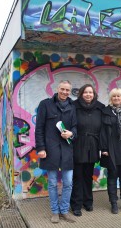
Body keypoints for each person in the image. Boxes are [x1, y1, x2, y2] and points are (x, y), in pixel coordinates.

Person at [35, 80, 77, 223]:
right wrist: (40, 148)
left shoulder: (73, 107)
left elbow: (76, 127)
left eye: (67, 90)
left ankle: (64, 211)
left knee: (68, 183)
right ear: (57, 89)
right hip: (50, 150)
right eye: (62, 89)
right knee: (52, 183)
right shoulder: (45, 104)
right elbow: (39, 128)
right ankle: (54, 211)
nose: (65, 92)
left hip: (67, 150)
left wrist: (71, 134)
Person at [70, 84, 105, 216]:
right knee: (77, 176)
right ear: (81, 94)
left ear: (94, 94)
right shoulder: (73, 106)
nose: (88, 95)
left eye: (90, 92)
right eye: (85, 92)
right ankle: (76, 204)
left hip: (93, 145)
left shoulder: (100, 108)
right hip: (77, 145)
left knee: (88, 175)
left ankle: (88, 201)